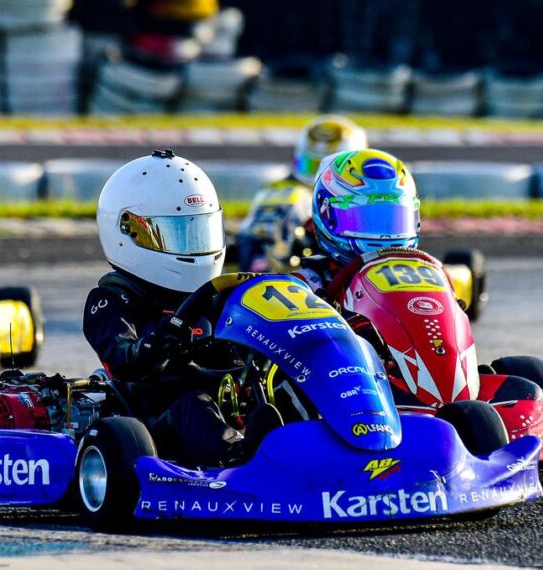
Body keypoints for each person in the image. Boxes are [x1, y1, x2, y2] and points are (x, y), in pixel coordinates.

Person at [83, 149, 279, 467]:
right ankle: (236, 458)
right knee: (193, 404)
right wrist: (157, 344)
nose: (193, 247)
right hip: (154, 420)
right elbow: (122, 359)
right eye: (177, 235)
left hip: (227, 403)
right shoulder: (112, 300)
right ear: (128, 232)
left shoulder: (217, 297)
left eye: (198, 233)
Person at [236, 115, 368, 272]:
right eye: (311, 165)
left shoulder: (367, 196)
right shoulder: (286, 193)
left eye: (325, 167)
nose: (317, 175)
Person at [293, 148, 421, 299]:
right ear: (325, 214)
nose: (383, 236)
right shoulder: (306, 286)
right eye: (365, 219)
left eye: (392, 219)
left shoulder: (429, 276)